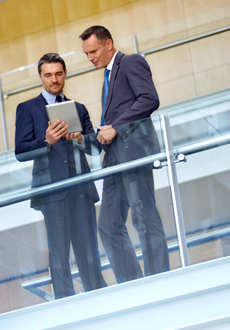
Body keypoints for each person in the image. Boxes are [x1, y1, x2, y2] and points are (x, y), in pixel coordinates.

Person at [79, 26, 170, 283]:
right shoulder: (107, 77)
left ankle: (158, 280)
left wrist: (117, 127)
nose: (90, 58)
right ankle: (133, 284)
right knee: (107, 225)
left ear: (109, 44)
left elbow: (149, 99)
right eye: (86, 54)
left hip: (133, 154)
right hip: (113, 160)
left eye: (94, 51)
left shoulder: (130, 62)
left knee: (144, 217)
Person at [15, 53, 106, 299]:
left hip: (81, 188)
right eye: (48, 75)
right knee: (59, 250)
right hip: (52, 192)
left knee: (89, 249)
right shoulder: (27, 109)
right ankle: (65, 302)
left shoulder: (78, 108)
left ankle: (99, 298)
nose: (54, 79)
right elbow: (21, 152)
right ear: (40, 77)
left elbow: (96, 149)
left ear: (65, 74)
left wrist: (79, 138)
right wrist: (47, 141)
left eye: (58, 74)